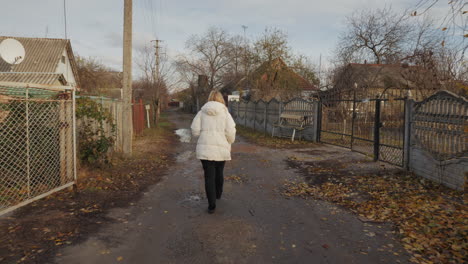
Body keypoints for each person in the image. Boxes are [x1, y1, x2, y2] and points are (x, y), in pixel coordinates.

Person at [191, 90, 236, 214]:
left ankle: (211, 205)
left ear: (209, 98)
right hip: (221, 148)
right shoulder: (226, 113)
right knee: (219, 171)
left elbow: (194, 130)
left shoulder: (201, 112)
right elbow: (231, 131)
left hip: (205, 149)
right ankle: (218, 193)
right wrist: (230, 141)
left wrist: (201, 135)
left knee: (209, 176)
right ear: (221, 99)